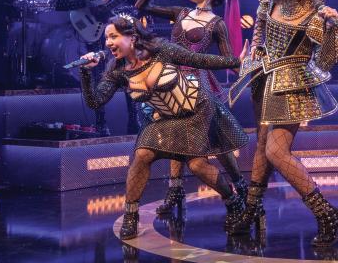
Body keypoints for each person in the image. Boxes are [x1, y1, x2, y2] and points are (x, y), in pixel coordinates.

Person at [79, 14, 249, 239]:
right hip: (164, 117)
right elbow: (95, 101)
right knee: (142, 154)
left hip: (196, 108)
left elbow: (197, 60)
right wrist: (85, 72)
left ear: (132, 37)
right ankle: (131, 215)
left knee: (197, 165)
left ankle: (233, 201)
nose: (108, 43)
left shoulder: (160, 49)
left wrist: (235, 61)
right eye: (106, 39)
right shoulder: (117, 71)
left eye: (113, 36)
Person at [228, 0, 338, 247]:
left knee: (276, 152)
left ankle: (325, 213)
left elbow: (327, 60)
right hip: (263, 80)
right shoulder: (269, 2)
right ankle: (251, 211)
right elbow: (259, 30)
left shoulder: (318, 13)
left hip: (293, 84)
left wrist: (333, 28)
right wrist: (255, 50)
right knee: (262, 147)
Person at [135, 0, 248, 215]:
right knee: (174, 135)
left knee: (218, 139)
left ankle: (239, 185)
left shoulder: (216, 24)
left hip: (199, 85)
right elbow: (141, 6)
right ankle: (175, 192)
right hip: (170, 81)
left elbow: (229, 60)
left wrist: (246, 65)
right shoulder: (181, 13)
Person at [55, 0, 134, 135]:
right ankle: (101, 123)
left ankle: (134, 121)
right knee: (98, 75)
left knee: (127, 72)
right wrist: (86, 4)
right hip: (95, 32)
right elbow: (60, 3)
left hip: (113, 28)